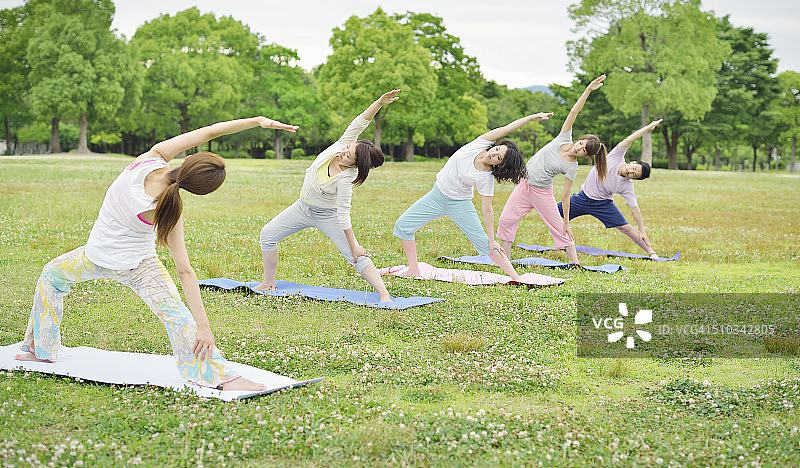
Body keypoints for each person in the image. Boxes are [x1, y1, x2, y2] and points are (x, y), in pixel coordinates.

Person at [16, 116, 298, 391]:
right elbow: (185, 271)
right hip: (136, 266)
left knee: (52, 275)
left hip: (94, 256)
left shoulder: (152, 157)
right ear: (198, 192)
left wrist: (256, 120)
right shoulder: (168, 209)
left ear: (187, 159)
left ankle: (42, 349)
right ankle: (218, 375)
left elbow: (209, 132)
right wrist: (204, 327)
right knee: (177, 317)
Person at [256, 91, 395, 302]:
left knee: (354, 255)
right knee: (267, 235)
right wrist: (378, 103)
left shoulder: (346, 179)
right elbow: (360, 122)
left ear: (355, 164)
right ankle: (268, 282)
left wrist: (354, 245)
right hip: (301, 207)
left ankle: (384, 294)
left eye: (347, 155)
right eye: (347, 148)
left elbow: (343, 215)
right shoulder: (343, 144)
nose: (342, 153)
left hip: (327, 215)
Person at [393, 111, 554, 279]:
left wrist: (492, 239)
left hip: (459, 204)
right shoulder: (481, 143)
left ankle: (516, 277)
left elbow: (487, 209)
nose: (493, 154)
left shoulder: (486, 177)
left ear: (500, 165)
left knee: (486, 246)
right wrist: (530, 118)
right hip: (436, 196)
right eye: (497, 149)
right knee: (403, 225)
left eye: (498, 157)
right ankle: (413, 269)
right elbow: (506, 129)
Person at [497, 75, 608, 265]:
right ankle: (504, 260)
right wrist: (588, 90)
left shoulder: (572, 167)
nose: (578, 148)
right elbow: (574, 111)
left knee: (559, 227)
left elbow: (565, 197)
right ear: (579, 139)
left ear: (585, 156)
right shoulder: (564, 138)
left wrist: (566, 221)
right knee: (506, 220)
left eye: (583, 151)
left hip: (542, 193)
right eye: (581, 143)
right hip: (524, 187)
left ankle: (576, 264)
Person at [557, 119, 663, 258]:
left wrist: (642, 231)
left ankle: (651, 252)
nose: (631, 172)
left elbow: (635, 208)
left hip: (603, 204)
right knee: (554, 212)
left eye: (634, 175)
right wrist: (648, 127)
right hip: (583, 198)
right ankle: (561, 243)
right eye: (634, 168)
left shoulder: (626, 186)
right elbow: (629, 139)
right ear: (633, 162)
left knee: (625, 227)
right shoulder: (616, 156)